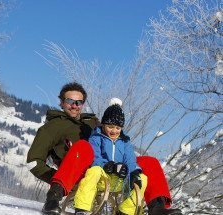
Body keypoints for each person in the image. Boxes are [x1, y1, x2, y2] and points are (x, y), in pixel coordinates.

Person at [26, 82, 182, 215]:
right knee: (84, 146)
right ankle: (53, 198)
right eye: (69, 101)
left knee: (149, 162)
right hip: (79, 172)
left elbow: (114, 138)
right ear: (61, 102)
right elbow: (33, 162)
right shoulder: (52, 127)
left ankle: (158, 207)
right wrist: (58, 180)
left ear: (83, 104)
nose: (74, 105)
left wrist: (127, 167)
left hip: (108, 170)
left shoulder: (92, 122)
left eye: (78, 102)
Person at [74, 98, 147, 215]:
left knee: (142, 178)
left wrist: (133, 173)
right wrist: (107, 165)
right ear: (103, 124)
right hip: (102, 178)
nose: (114, 131)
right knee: (94, 171)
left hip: (120, 181)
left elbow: (130, 160)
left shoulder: (125, 142)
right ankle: (82, 209)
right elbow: (94, 156)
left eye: (118, 128)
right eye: (110, 127)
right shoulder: (96, 137)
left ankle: (126, 211)